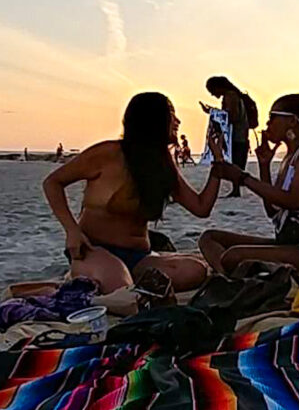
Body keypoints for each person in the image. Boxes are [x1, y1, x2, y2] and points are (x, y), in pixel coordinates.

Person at [43, 92, 224, 293]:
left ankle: (120, 281)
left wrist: (218, 164)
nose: (178, 121)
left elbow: (201, 207)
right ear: (152, 120)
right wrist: (72, 231)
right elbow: (53, 182)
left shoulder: (162, 165)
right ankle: (93, 275)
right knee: (122, 290)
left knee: (195, 270)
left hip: (139, 257)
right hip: (94, 249)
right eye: (171, 114)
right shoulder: (108, 153)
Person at [199, 94, 299, 275]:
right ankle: (227, 276)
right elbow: (273, 211)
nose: (267, 125)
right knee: (209, 238)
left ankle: (228, 276)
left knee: (234, 256)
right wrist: (264, 165)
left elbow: (293, 201)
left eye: (272, 117)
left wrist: (243, 178)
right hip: (287, 242)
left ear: (292, 121)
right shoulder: (289, 157)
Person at [202, 76, 252, 197]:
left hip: (236, 136)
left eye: (212, 91)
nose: (213, 95)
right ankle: (236, 190)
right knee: (237, 162)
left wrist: (212, 112)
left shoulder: (230, 96)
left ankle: (236, 190)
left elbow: (231, 116)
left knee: (235, 163)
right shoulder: (235, 95)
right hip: (241, 135)